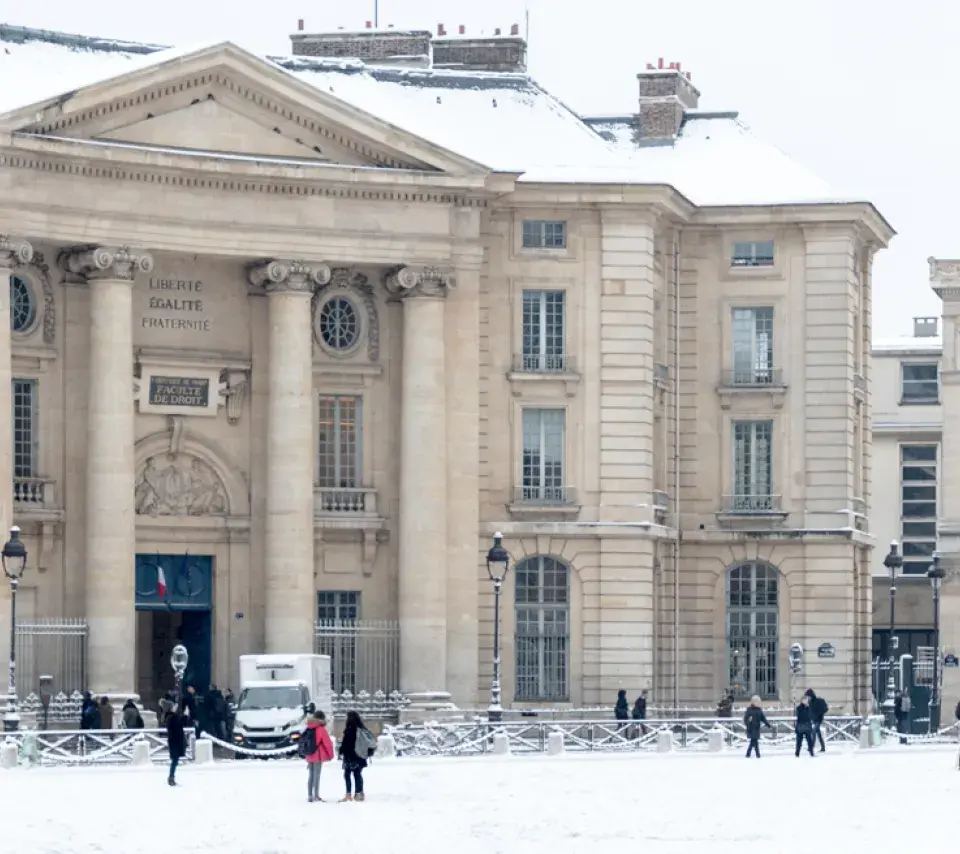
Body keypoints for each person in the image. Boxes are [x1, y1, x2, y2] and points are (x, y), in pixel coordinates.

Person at [339, 710, 373, 802]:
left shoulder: (349, 730)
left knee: (347, 775)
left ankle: (348, 795)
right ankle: (359, 793)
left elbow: (346, 744)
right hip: (360, 756)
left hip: (350, 756)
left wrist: (341, 751)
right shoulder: (361, 729)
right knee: (357, 774)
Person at [303, 704, 335, 803]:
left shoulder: (308, 727)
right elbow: (327, 744)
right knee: (317, 776)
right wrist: (331, 755)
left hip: (309, 754)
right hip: (318, 755)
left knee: (311, 776)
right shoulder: (321, 729)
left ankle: (310, 795)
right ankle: (316, 796)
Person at [165, 704, 188, 786]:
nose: (175, 707)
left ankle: (171, 777)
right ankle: (171, 777)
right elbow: (179, 725)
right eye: (173, 706)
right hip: (175, 741)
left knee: (175, 760)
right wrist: (185, 716)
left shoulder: (170, 717)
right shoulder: (172, 717)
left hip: (174, 741)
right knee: (174, 760)